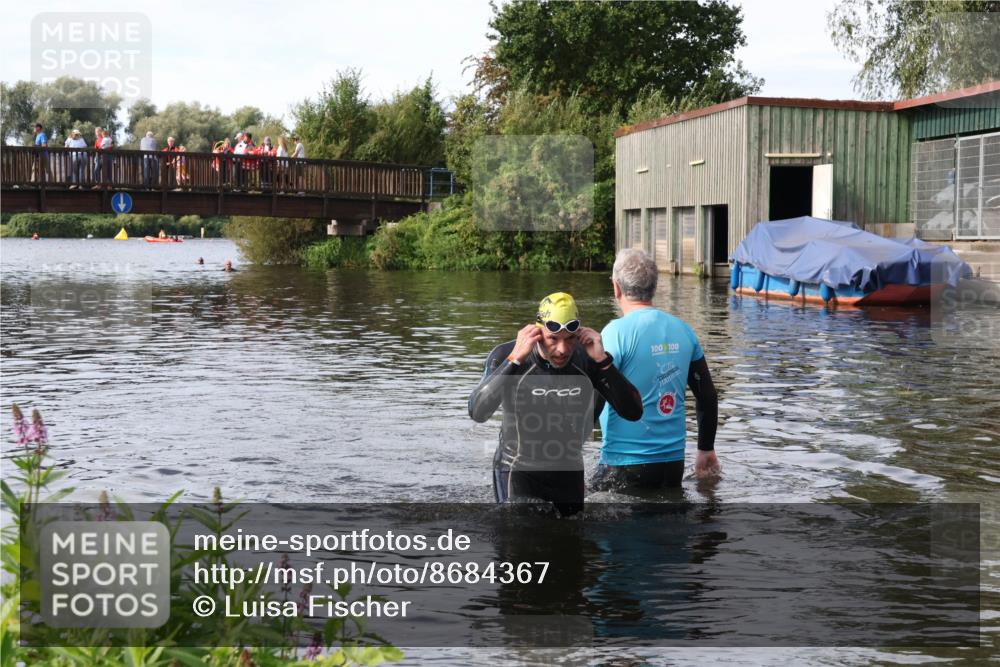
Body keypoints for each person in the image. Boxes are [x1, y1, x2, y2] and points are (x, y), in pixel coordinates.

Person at [468, 292, 643, 515]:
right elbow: (477, 412)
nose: (562, 349)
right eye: (553, 338)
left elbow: (634, 412)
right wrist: (514, 360)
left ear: (579, 334)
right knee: (518, 539)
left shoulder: (588, 359)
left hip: (567, 473)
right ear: (538, 332)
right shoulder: (508, 354)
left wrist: (603, 363)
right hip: (517, 471)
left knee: (570, 545)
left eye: (569, 339)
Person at [593, 249, 720, 494]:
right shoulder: (683, 330)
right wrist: (705, 450)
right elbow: (707, 395)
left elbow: (596, 398)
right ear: (655, 286)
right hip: (673, 464)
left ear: (616, 287)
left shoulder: (614, 333)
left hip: (624, 465)